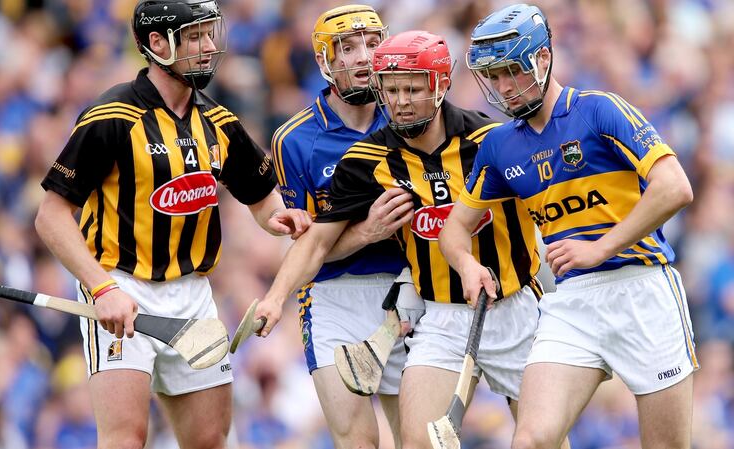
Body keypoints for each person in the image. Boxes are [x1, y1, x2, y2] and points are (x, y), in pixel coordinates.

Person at [34, 1, 310, 448]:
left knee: (210, 441)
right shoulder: (111, 117)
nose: (209, 47)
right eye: (195, 37)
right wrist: (102, 288)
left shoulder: (219, 122)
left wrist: (278, 218)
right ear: (157, 44)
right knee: (125, 439)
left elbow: (261, 200)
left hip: (193, 297)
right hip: (123, 286)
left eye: (209, 34)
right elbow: (50, 216)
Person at [256, 30, 548, 448]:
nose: (401, 101)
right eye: (391, 90)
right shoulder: (367, 160)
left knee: (541, 440)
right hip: (440, 320)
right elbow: (317, 241)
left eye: (412, 89)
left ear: (441, 85)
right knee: (418, 443)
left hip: (514, 307)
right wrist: (274, 297)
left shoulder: (491, 141)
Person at [447, 4, 698, 449]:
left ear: (543, 58)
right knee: (531, 440)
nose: (503, 87)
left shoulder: (599, 110)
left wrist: (600, 248)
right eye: (494, 76)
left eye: (512, 71)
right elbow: (453, 229)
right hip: (572, 302)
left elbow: (674, 187)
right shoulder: (500, 146)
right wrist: (467, 266)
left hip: (642, 288)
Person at [270, 5, 411, 448]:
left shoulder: (413, 119)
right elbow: (309, 249)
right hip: (333, 297)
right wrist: (367, 232)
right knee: (356, 441)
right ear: (324, 60)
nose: (364, 57)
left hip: (410, 292)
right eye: (348, 48)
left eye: (372, 44)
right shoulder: (294, 140)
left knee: (421, 439)